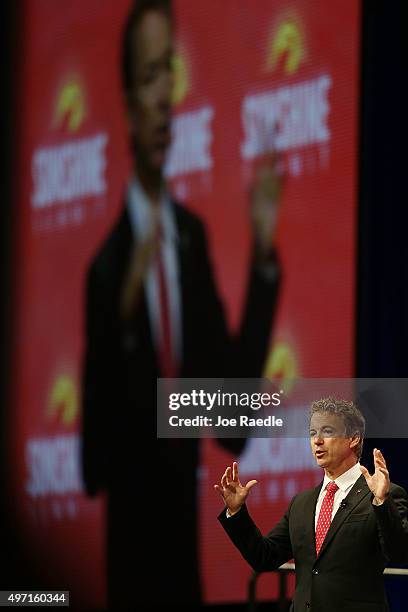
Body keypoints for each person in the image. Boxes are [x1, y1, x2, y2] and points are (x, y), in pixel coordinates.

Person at [81, 0, 283, 608]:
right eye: (149, 75)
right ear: (126, 105)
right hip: (128, 582)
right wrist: (120, 325)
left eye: (170, 68)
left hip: (186, 582)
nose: (168, 92)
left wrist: (263, 258)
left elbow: (234, 424)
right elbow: (94, 464)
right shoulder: (106, 270)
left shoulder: (191, 242)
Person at [216, 397, 408, 612]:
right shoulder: (302, 502)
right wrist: (236, 512)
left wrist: (382, 502)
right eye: (312, 433)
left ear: (353, 438)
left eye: (327, 431)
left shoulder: (384, 495)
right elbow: (264, 558)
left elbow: (400, 552)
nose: (317, 441)